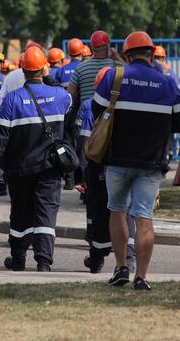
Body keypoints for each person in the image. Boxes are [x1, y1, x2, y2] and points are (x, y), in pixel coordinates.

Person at [92, 31, 180, 290]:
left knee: (117, 211)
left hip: (117, 158)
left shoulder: (113, 76)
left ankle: (120, 268)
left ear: (127, 54)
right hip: (151, 162)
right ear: (152, 54)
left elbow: (97, 111)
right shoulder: (167, 84)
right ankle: (141, 277)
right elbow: (177, 123)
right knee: (144, 217)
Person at [0, 46, 72, 272]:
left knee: (20, 213)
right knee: (46, 213)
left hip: (19, 168)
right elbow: (70, 102)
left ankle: (18, 260)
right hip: (50, 167)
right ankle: (44, 261)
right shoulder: (61, 96)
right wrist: (52, 82)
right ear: (44, 69)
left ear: (22, 71)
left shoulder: (12, 100)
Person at [74, 67, 137, 274]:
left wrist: (81, 172)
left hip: (98, 165)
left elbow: (84, 140)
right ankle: (128, 256)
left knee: (98, 210)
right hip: (124, 162)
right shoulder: (129, 103)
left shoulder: (88, 105)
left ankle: (97, 259)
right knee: (125, 210)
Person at [68, 30, 121, 106]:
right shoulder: (117, 66)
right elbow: (132, 72)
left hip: (87, 115)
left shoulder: (81, 67)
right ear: (108, 46)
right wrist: (118, 58)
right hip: (110, 115)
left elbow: (71, 93)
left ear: (91, 46)